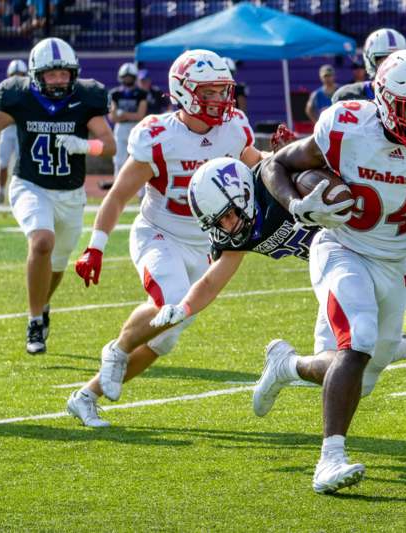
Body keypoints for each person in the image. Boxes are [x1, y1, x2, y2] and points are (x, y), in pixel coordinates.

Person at [258, 50, 406, 494]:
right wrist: (297, 205)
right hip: (342, 248)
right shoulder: (347, 126)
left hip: (395, 263)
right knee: (355, 343)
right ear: (383, 99)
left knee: (363, 374)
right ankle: (330, 460)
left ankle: (286, 366)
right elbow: (273, 164)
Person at [147, 156, 406, 408]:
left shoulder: (275, 189)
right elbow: (214, 280)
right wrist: (184, 307)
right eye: (219, 223)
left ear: (241, 191)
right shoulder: (238, 228)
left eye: (227, 216)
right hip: (339, 272)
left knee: (351, 362)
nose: (227, 227)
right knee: (348, 376)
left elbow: (305, 167)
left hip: (363, 254)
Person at [66, 49, 262, 427]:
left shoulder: (235, 127)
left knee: (165, 338)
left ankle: (86, 396)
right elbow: (119, 195)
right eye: (209, 92)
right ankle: (118, 348)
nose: (220, 100)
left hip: (206, 244)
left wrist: (282, 156)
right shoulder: (159, 135)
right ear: (184, 93)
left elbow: (256, 161)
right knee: (169, 302)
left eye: (223, 91)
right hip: (160, 232)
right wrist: (96, 246)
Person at [0, 37, 115, 354]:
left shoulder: (85, 98)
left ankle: (43, 305)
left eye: (65, 74)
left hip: (71, 194)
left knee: (57, 263)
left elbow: (110, 145)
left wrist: (85, 146)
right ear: (37, 74)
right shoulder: (19, 97)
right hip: (30, 185)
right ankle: (35, 320)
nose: (59, 80)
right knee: (41, 242)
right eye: (52, 74)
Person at [333, 28, 406, 104]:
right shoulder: (347, 96)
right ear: (370, 61)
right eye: (384, 62)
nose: (390, 67)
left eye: (396, 61)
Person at [0, 59, 28, 205]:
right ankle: (0, 193)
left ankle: (22, 195)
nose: (16, 77)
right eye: (14, 74)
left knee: (22, 164)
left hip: (21, 129)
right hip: (6, 130)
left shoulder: (28, 91)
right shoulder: (4, 90)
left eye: (19, 74)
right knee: (3, 163)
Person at [109, 62, 148, 180]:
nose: (127, 79)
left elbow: (140, 115)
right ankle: (117, 188)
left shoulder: (141, 93)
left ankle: (141, 194)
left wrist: (124, 114)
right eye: (125, 77)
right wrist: (130, 115)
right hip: (120, 128)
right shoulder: (115, 93)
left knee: (139, 159)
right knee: (119, 160)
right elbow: (113, 117)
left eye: (130, 77)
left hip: (136, 127)